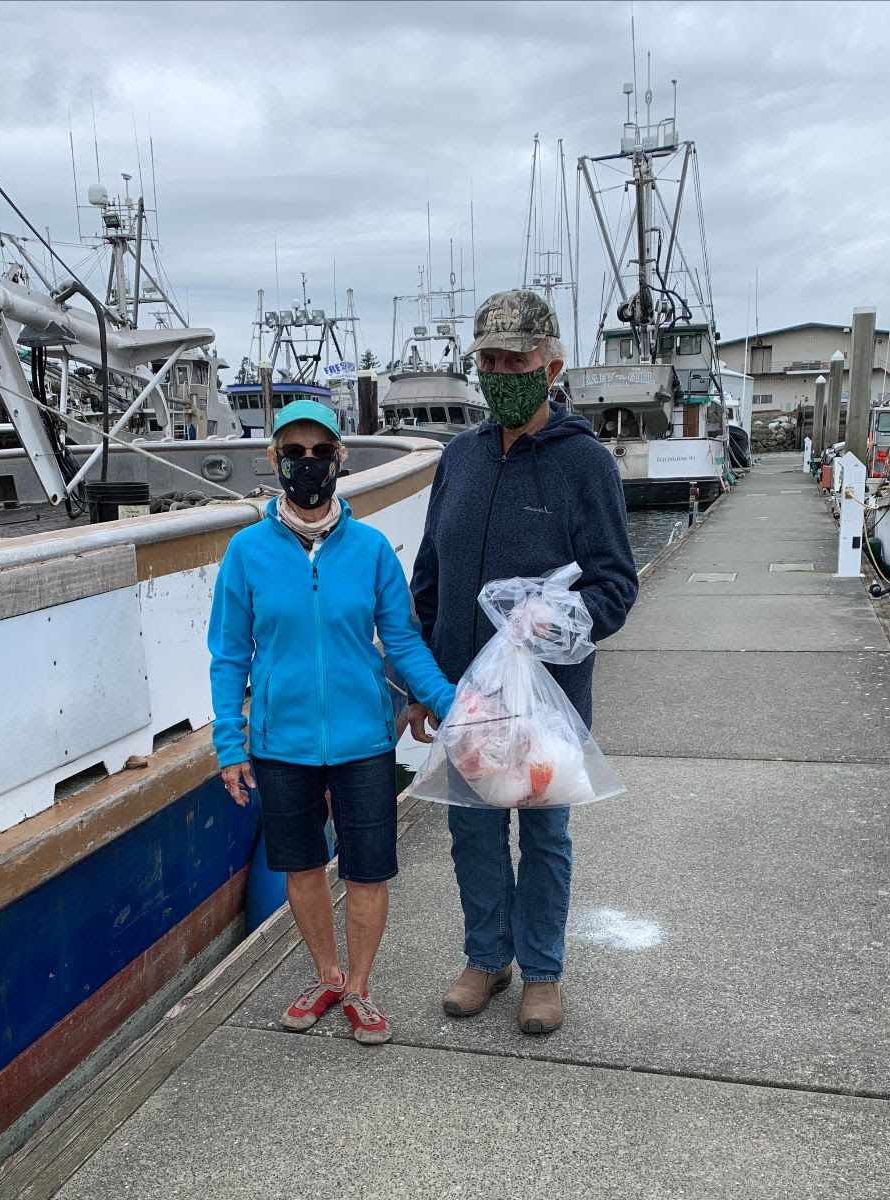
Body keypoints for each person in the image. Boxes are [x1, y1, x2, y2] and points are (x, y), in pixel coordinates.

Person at [408, 289, 638, 1035]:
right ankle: (487, 958)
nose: (503, 371)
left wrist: (562, 619)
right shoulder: (458, 460)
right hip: (463, 699)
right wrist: (415, 687)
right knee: (470, 832)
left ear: (552, 365)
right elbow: (430, 578)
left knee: (543, 835)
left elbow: (614, 585)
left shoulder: (586, 465)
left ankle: (542, 971)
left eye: (518, 359)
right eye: (491, 360)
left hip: (547, 703)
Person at [208, 399, 455, 1046]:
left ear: (340, 459)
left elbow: (400, 642)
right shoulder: (246, 553)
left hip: (363, 739)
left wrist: (453, 704)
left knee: (368, 869)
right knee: (302, 865)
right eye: (295, 454)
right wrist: (230, 743)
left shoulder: (371, 550)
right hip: (280, 741)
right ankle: (326, 974)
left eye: (321, 453)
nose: (308, 465)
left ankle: (362, 990)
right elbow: (229, 654)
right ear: (274, 460)